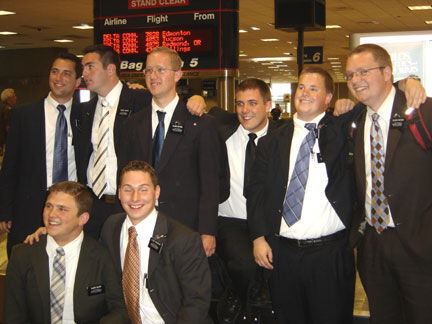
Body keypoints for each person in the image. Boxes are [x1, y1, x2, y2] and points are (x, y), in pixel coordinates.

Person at [247, 67, 360, 324]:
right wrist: (257, 237)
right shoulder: (272, 140)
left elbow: (373, 105)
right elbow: (255, 193)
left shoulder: (340, 131)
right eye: (301, 87)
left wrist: (408, 84)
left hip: (329, 255)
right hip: (282, 255)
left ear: (328, 97)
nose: (305, 93)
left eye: (313, 88)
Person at [77, 44, 206, 239]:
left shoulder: (140, 98)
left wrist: (196, 98)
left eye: (90, 66)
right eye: (149, 71)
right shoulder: (84, 110)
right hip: (93, 203)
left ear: (111, 69)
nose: (84, 73)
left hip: (136, 205)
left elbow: (169, 100)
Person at [346, 43, 432, 324]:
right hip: (374, 244)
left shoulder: (422, 111)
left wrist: (410, 82)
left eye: (363, 71)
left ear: (387, 73)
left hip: (420, 244)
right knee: (383, 316)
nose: (356, 80)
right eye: (349, 75)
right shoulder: (356, 121)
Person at [118, 46, 220, 257]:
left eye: (160, 70)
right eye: (148, 70)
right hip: (141, 222)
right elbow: (125, 175)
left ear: (178, 75)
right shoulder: (133, 124)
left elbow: (210, 183)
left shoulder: (200, 124)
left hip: (185, 225)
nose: (153, 76)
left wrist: (207, 230)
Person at [210, 78, 285, 323]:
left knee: (276, 268)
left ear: (268, 105)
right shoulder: (223, 129)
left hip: (270, 220)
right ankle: (244, 305)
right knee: (245, 264)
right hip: (231, 219)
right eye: (240, 103)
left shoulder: (283, 135)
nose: (245, 110)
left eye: (253, 103)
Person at [100, 160, 212, 324]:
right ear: (119, 193)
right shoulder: (111, 226)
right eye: (127, 190)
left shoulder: (183, 239)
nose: (135, 198)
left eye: (143, 190)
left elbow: (196, 302)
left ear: (156, 192)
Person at [4, 181, 129, 323]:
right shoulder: (22, 255)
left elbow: (119, 308)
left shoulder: (101, 256)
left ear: (83, 218)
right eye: (48, 206)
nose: (52, 214)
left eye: (62, 209)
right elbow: (13, 315)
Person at [0, 53, 82, 256]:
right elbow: (10, 166)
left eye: (66, 73)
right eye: (54, 72)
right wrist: (5, 210)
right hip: (28, 207)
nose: (58, 78)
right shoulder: (24, 114)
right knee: (25, 269)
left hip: (71, 208)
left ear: (78, 81)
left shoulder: (86, 115)